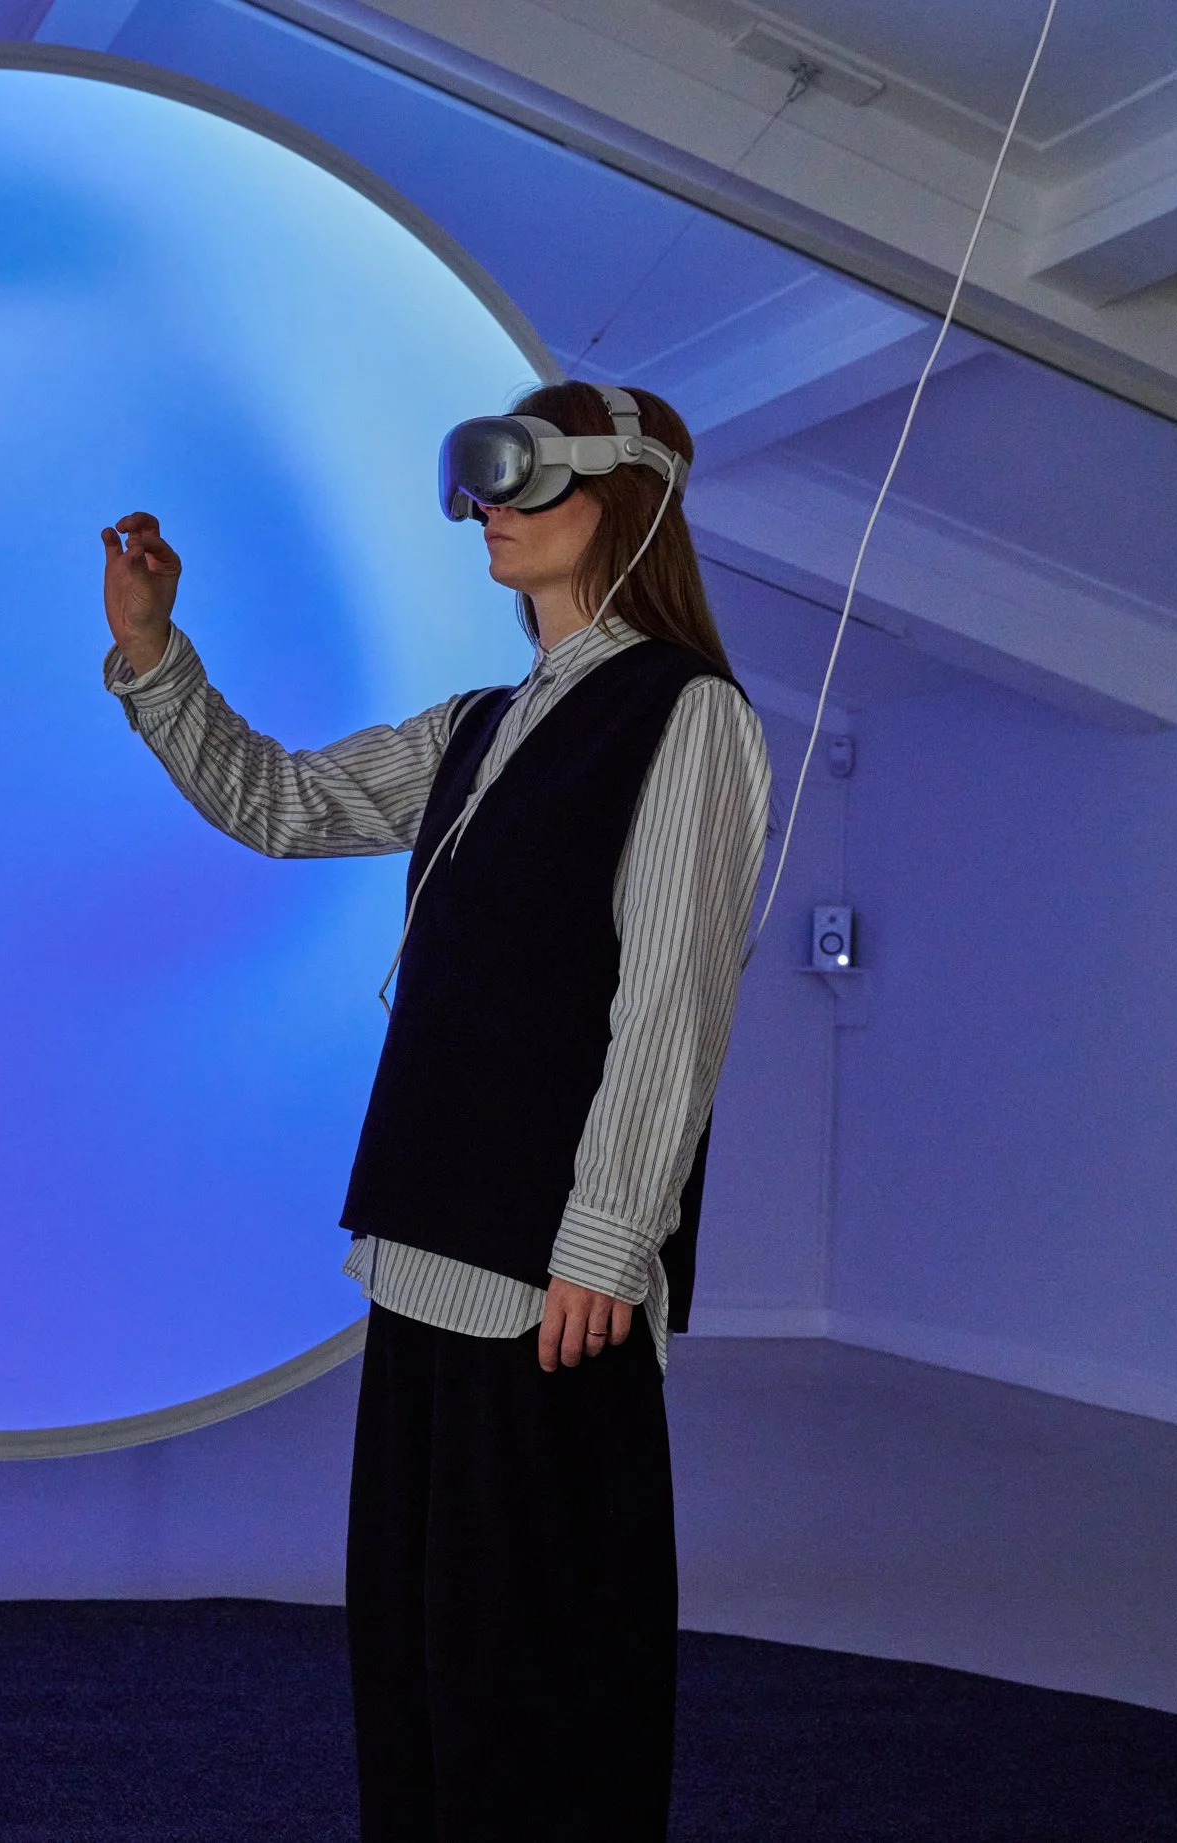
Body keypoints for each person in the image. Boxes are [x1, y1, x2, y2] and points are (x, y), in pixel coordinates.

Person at [97, 380, 768, 1841]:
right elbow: (282, 801)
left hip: (548, 1287)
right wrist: (152, 651)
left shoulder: (687, 716)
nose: (487, 509)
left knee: (535, 1685)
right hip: (420, 1258)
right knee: (417, 1669)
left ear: (628, 492)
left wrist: (606, 1242)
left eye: (524, 475)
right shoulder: (478, 725)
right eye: (477, 479)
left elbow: (671, 1002)